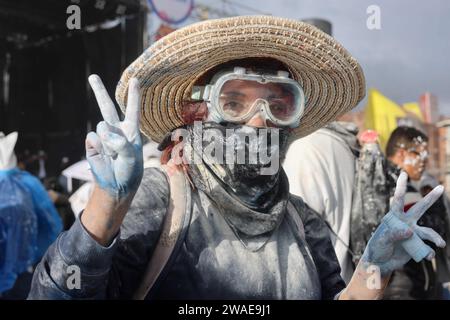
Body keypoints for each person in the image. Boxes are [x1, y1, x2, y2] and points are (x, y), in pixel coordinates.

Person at [28, 16, 445, 300]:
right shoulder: (162, 200)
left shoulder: (302, 222)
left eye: (279, 105)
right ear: (197, 113)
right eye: (235, 101)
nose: (259, 121)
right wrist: (106, 209)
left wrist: (372, 273)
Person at [383, 126, 448, 299]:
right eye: (421, 154)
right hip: (404, 288)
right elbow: (431, 230)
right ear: (403, 154)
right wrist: (435, 199)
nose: (425, 161)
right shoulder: (398, 188)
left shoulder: (387, 181)